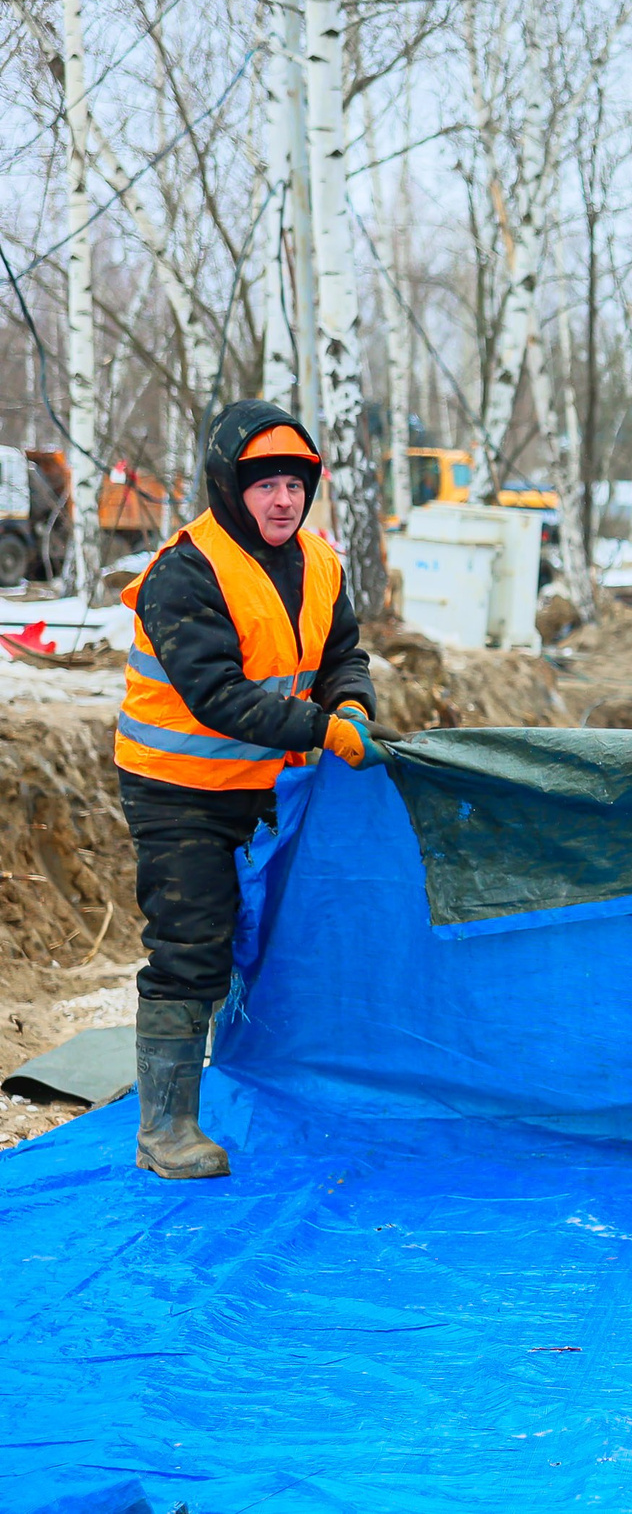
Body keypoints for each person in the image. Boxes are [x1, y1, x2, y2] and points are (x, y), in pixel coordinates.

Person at [117, 400, 383, 1180]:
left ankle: (271, 1076)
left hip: (271, 789)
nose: (282, 500)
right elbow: (218, 694)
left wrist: (354, 702)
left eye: (295, 484)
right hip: (181, 788)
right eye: (264, 483)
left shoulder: (323, 565)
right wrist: (320, 729)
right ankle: (165, 1129)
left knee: (272, 937)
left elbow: (343, 655)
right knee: (190, 942)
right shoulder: (184, 572)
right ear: (230, 488)